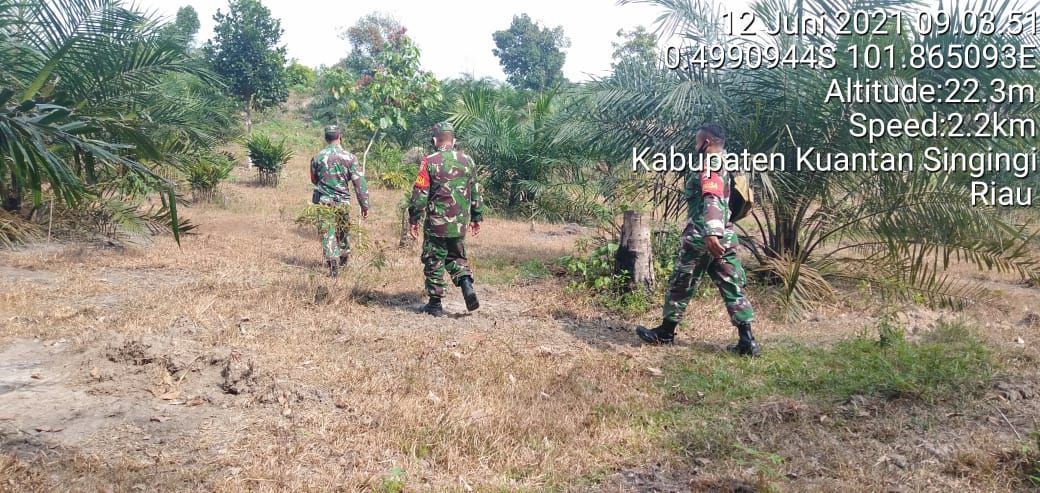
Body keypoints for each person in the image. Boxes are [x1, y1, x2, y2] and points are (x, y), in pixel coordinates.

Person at [635, 123, 760, 356]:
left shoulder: (710, 163)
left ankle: (665, 333)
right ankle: (747, 340)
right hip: (727, 234)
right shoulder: (730, 162)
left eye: (697, 141)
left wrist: (711, 232)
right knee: (732, 285)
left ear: (707, 142)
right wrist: (721, 230)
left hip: (704, 236)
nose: (695, 146)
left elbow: (712, 197)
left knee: (682, 282)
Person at [408, 121, 484, 317]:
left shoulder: (429, 161)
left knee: (434, 258)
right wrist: (477, 216)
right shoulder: (468, 161)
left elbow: (420, 193)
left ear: (435, 140)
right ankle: (466, 283)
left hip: (437, 223)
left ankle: (434, 304)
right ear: (454, 140)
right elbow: (475, 190)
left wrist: (414, 219)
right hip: (460, 223)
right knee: (456, 256)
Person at [310, 125, 369, 277]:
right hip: (343, 202)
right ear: (340, 137)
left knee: (327, 232)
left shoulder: (317, 157)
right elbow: (359, 184)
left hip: (324, 201)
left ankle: (333, 265)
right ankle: (343, 259)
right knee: (343, 230)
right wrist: (364, 205)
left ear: (326, 138)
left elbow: (314, 180)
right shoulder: (350, 158)